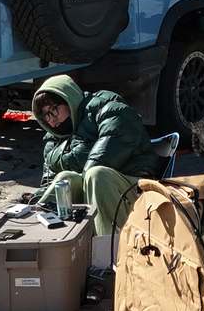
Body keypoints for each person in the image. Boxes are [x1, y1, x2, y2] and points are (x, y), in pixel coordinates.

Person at [31, 75, 157, 261]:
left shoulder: (106, 106)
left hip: (132, 186)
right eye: (45, 116)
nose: (51, 120)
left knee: (96, 175)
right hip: (92, 190)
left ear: (68, 98)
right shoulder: (53, 139)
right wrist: (36, 202)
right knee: (65, 179)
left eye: (53, 110)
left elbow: (107, 154)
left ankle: (109, 257)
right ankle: (48, 246)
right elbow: (49, 181)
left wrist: (81, 172)